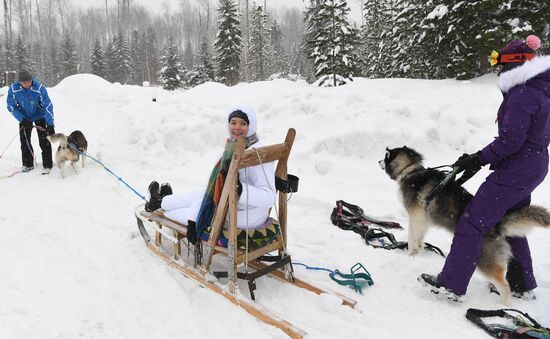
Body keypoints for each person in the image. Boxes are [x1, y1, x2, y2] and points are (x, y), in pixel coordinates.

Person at [419, 35, 550, 301]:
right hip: (533, 164)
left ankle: (451, 285)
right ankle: (521, 283)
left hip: (517, 168)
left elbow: (511, 141)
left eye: (498, 62)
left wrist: (479, 158)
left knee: (472, 223)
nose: (496, 68)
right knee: (509, 220)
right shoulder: (539, 89)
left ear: (515, 63)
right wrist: (484, 158)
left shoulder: (523, 94)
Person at [145, 106, 276, 241]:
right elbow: (212, 190)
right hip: (233, 205)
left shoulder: (256, 154)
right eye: (233, 122)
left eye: (243, 124)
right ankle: (161, 201)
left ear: (251, 126)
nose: (237, 127)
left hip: (245, 215)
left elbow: (269, 197)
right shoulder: (232, 147)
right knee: (198, 195)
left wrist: (239, 189)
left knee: (173, 213)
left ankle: (162, 205)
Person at [6, 70, 56, 174]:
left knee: (44, 141)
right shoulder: (13, 89)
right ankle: (28, 164)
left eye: (29, 81)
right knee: (25, 142)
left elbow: (47, 106)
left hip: (39, 116)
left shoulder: (39, 88)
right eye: (24, 82)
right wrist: (22, 119)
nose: (27, 84)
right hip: (24, 118)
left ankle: (47, 165)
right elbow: (11, 106)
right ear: (19, 82)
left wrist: (50, 124)